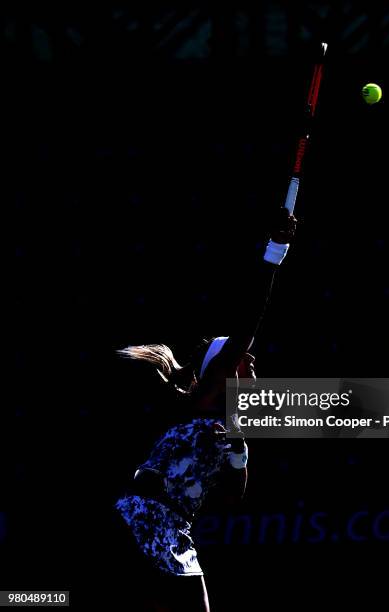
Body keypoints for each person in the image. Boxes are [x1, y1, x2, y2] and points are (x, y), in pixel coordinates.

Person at [114, 208, 297, 611]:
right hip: (144, 517)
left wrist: (238, 449)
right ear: (220, 369)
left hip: (175, 529)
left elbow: (234, 496)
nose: (251, 362)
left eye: (250, 358)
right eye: (241, 357)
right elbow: (248, 324)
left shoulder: (227, 424)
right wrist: (276, 250)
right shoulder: (201, 402)